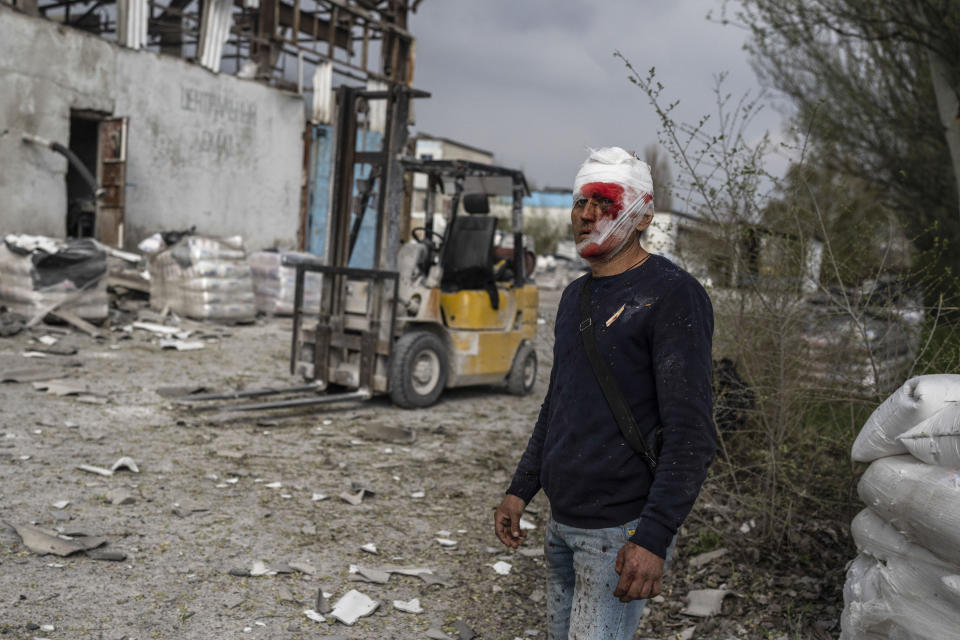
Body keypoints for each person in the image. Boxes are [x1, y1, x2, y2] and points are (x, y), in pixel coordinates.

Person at [494, 147, 716, 639]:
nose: (587, 215)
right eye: (580, 202)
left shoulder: (672, 295)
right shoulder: (575, 297)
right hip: (562, 524)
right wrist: (520, 489)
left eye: (605, 202)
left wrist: (652, 538)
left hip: (620, 531)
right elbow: (560, 403)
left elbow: (692, 432)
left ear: (643, 215)